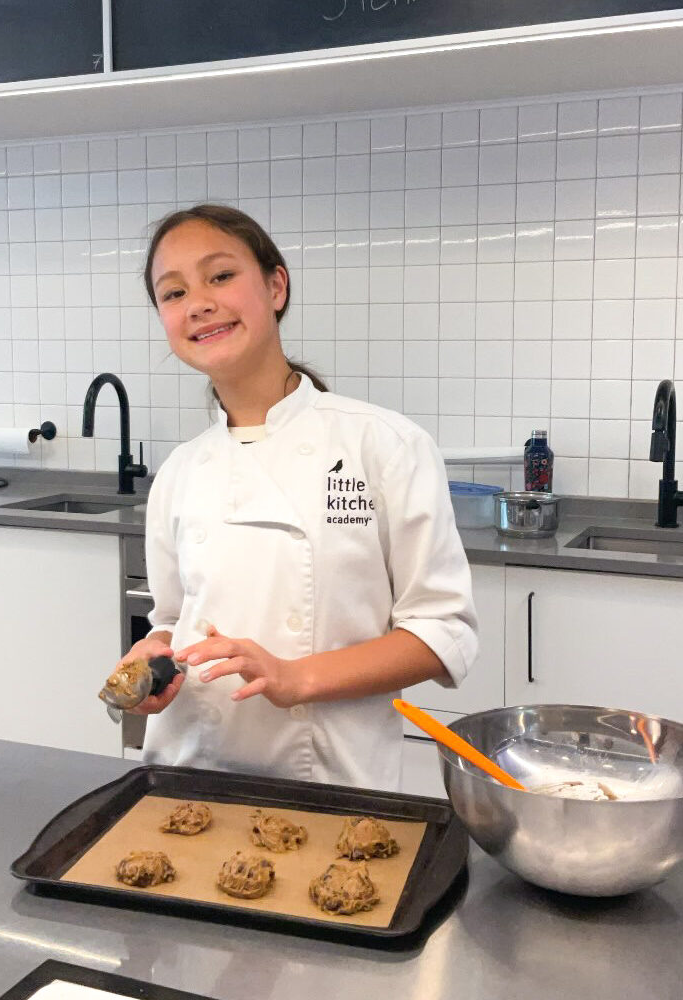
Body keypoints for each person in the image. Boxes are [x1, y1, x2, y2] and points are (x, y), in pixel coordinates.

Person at [120, 203, 478, 791]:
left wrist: (296, 678)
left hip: (330, 784)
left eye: (221, 276)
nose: (199, 303)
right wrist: (149, 662)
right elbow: (170, 622)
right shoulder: (180, 472)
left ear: (276, 285)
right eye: (173, 292)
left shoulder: (383, 444)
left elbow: (443, 634)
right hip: (184, 778)